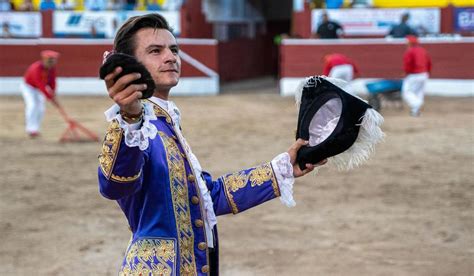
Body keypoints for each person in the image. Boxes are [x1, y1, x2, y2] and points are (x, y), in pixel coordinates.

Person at [98, 13, 325, 275]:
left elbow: (209, 195)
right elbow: (114, 185)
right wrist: (130, 117)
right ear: (132, 64)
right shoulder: (133, 126)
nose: (170, 57)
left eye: (174, 49)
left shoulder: (165, 122)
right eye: (155, 51)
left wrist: (283, 167)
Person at [21, 50, 60, 137]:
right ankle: (30, 129)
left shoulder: (52, 69)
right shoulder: (36, 68)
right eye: (50, 60)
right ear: (44, 60)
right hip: (29, 87)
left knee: (41, 108)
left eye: (53, 60)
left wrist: (53, 94)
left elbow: (52, 82)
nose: (52, 62)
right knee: (32, 105)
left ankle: (35, 129)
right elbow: (40, 84)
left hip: (39, 89)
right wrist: (50, 97)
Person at [402, 35, 432, 117]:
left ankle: (418, 103)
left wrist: (406, 73)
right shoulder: (423, 50)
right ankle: (415, 112)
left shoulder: (409, 51)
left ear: (410, 43)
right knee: (418, 93)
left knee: (407, 93)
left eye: (407, 41)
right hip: (424, 74)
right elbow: (429, 62)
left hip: (414, 75)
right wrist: (427, 72)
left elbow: (408, 64)